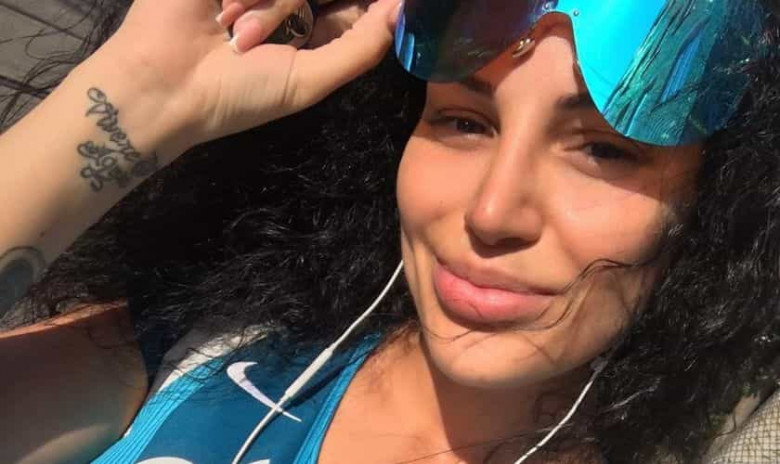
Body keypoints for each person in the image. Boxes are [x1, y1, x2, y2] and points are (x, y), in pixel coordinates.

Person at [0, 0, 778, 463]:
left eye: (604, 150)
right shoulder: (211, 352)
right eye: (464, 122)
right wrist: (142, 98)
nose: (491, 213)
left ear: (715, 205)